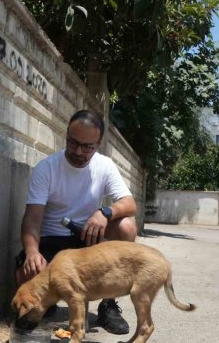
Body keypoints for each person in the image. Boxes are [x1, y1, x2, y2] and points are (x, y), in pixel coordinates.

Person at [14, 110, 138, 335]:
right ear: (67, 136)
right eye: (73, 143)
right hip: (53, 241)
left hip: (87, 242)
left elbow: (130, 204)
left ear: (98, 144)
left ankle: (108, 304)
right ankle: (45, 303)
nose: (78, 152)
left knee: (127, 226)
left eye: (87, 147)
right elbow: (32, 218)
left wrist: (105, 212)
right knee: (25, 274)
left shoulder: (105, 166)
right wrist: (32, 252)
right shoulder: (47, 168)